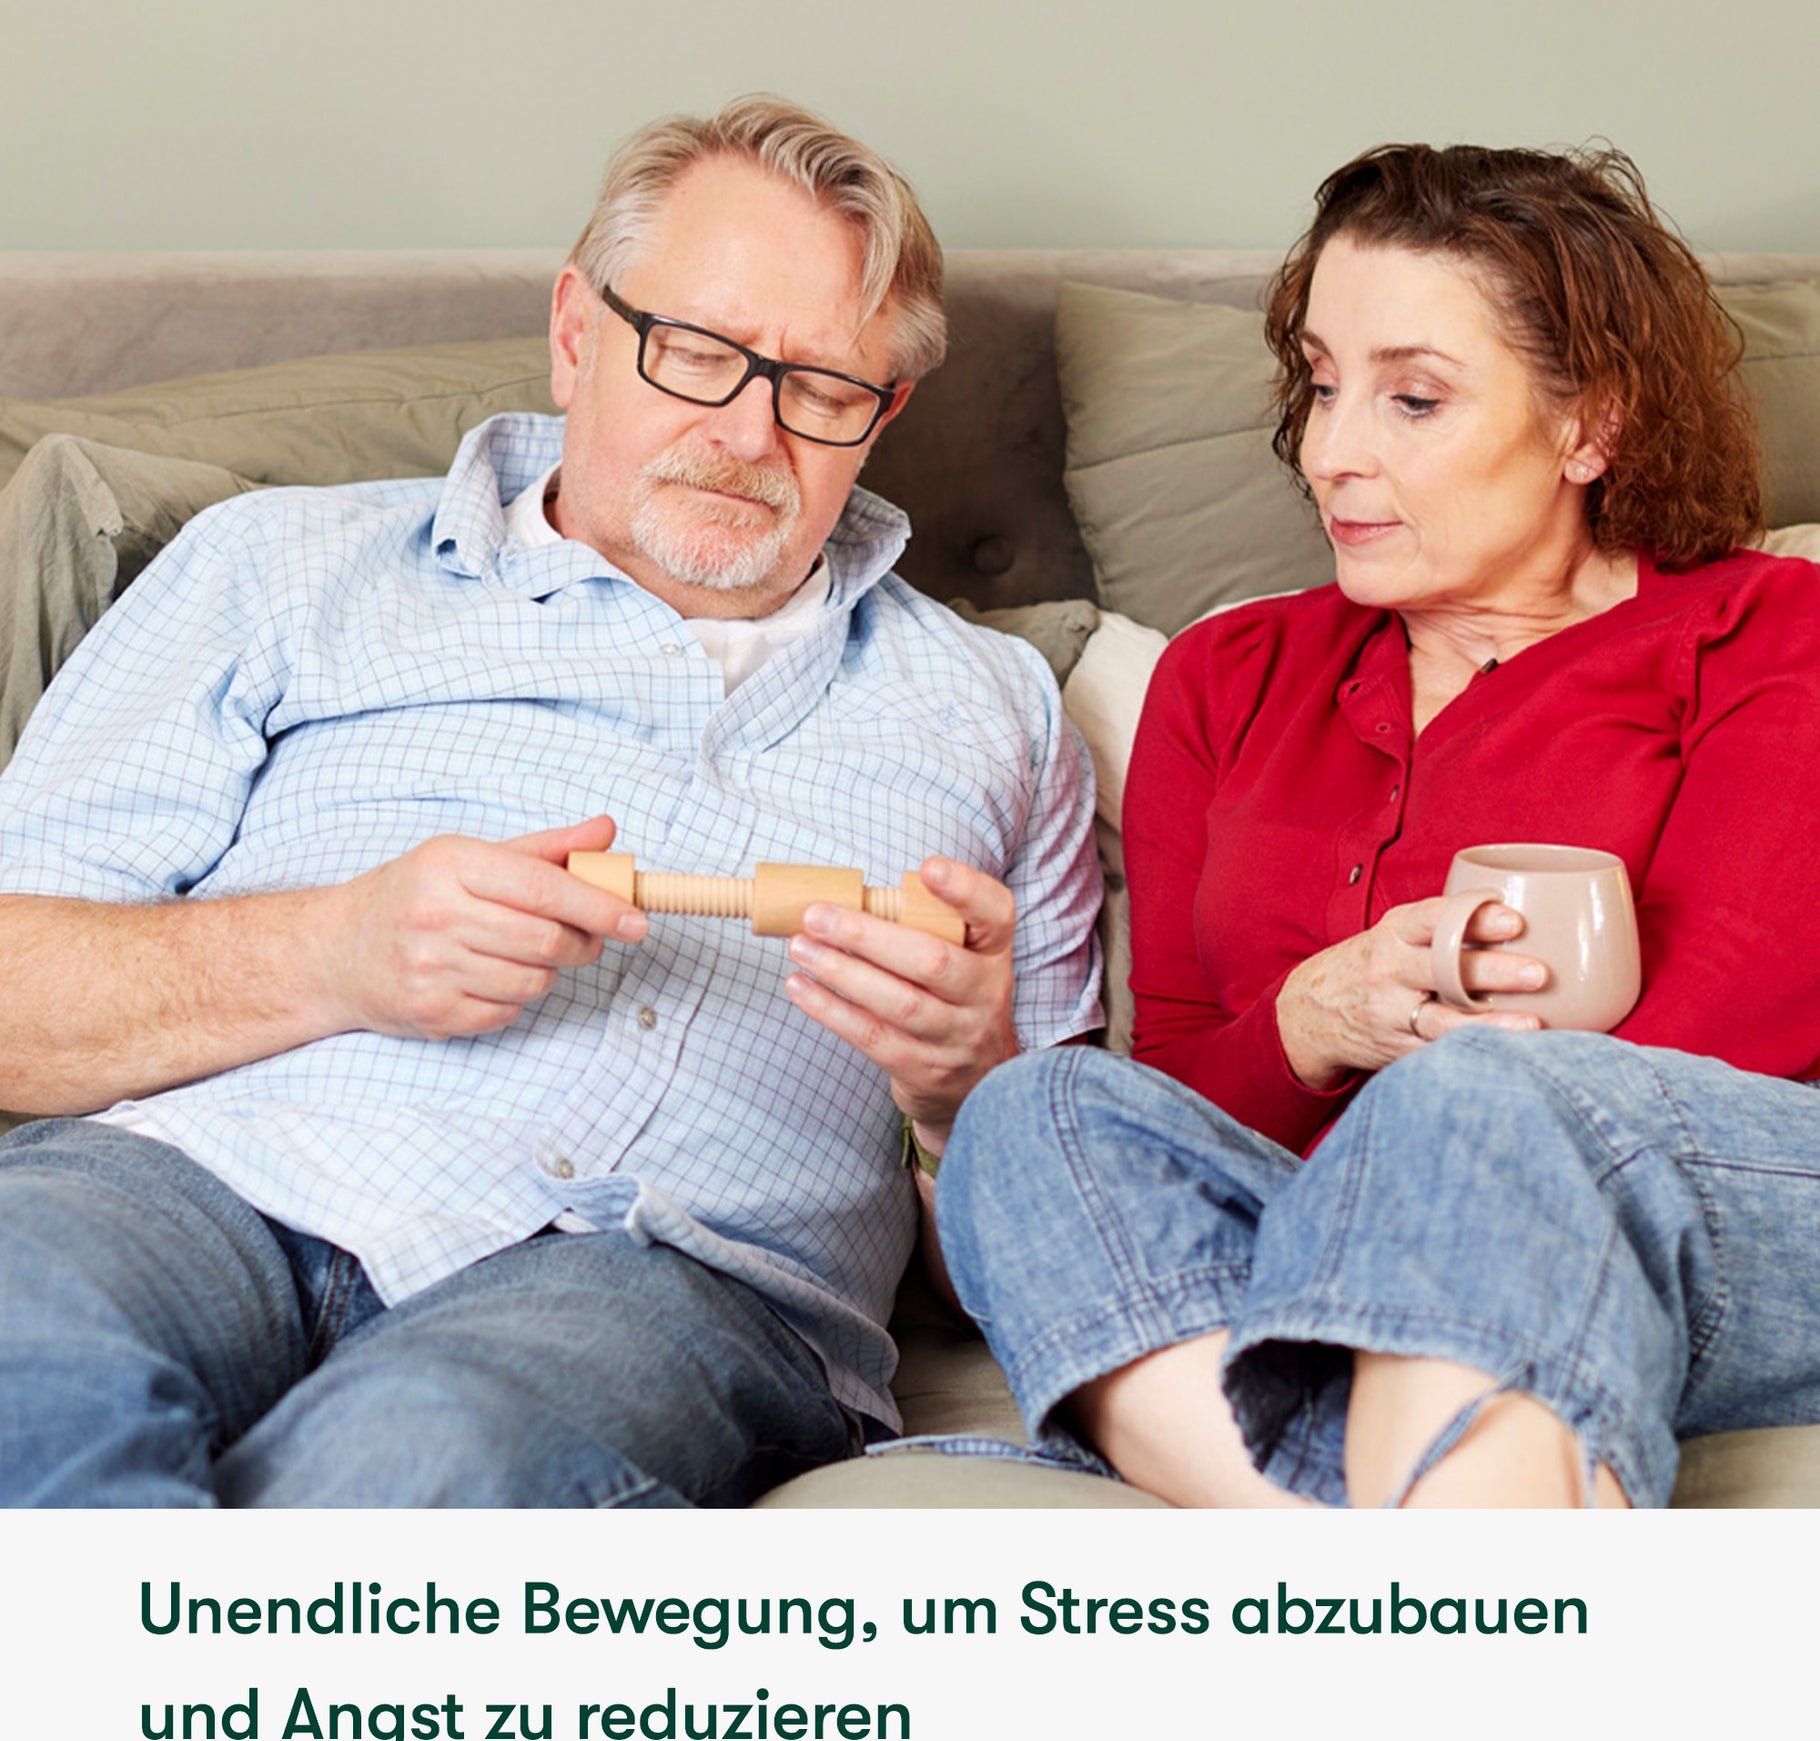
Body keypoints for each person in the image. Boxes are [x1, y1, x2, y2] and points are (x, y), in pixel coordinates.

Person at [0, 97, 1102, 1508]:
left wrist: (963, 1096)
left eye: (822, 389)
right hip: (194, 1185)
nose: (749, 432)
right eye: (700, 351)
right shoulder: (274, 567)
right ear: (579, 332)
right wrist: (330, 953)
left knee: (422, 1465)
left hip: (659, 1285)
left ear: (882, 414)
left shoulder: (1001, 711)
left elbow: (1049, 1261)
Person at [937, 142, 1820, 1510]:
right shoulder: (1225, 682)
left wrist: (1424, 1097)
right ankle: (1404, 1560)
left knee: (1479, 1089)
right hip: (1331, 1245)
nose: (1328, 452)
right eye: (1321, 385)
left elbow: (1729, 1044)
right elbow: (1174, 1087)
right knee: (1028, 1112)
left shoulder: (1771, 635)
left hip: (1706, 1217)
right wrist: (1317, 1021)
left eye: (1411, 398)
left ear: (1593, 427)